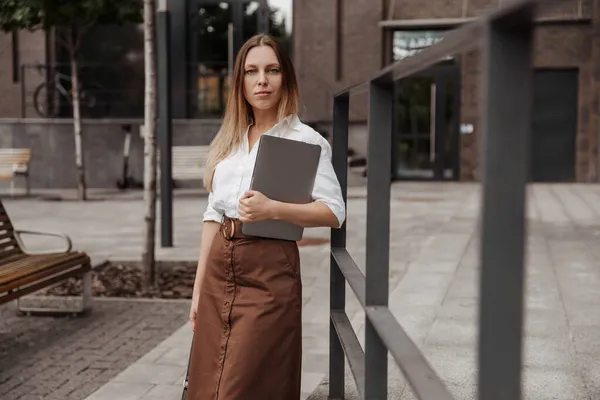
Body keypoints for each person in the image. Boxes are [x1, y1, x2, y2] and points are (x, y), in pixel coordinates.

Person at [186, 33, 345, 400]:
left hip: (270, 270)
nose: (262, 80)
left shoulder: (306, 140)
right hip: (218, 270)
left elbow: (334, 211)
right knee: (206, 383)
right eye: (251, 71)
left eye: (272, 70)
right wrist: (197, 290)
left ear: (285, 78)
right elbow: (213, 214)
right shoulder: (229, 141)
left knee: (241, 385)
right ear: (240, 83)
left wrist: (274, 208)